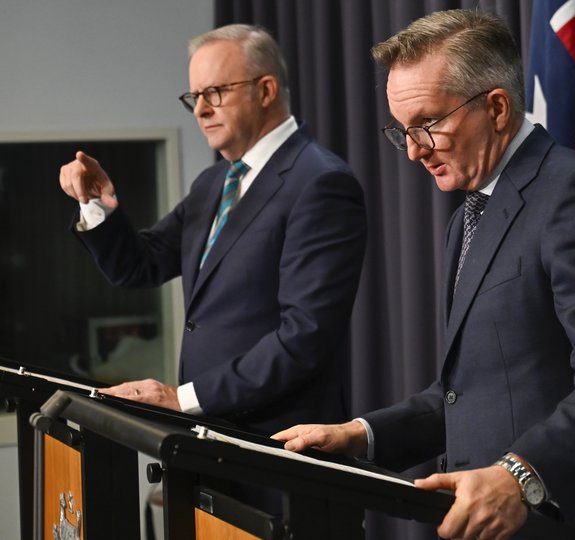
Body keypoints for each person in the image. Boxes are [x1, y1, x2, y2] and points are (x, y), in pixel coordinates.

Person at [274, 9, 575, 540]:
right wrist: (357, 435)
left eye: (427, 124)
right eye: (401, 131)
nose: (412, 151)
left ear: (497, 107)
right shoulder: (467, 217)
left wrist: (520, 475)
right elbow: (465, 394)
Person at [58, 24, 367, 437]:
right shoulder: (214, 182)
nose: (201, 110)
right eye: (194, 97)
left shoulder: (320, 182)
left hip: (281, 443)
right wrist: (95, 204)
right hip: (209, 436)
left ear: (267, 90)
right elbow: (139, 267)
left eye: (215, 93)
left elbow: (304, 337)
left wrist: (182, 398)